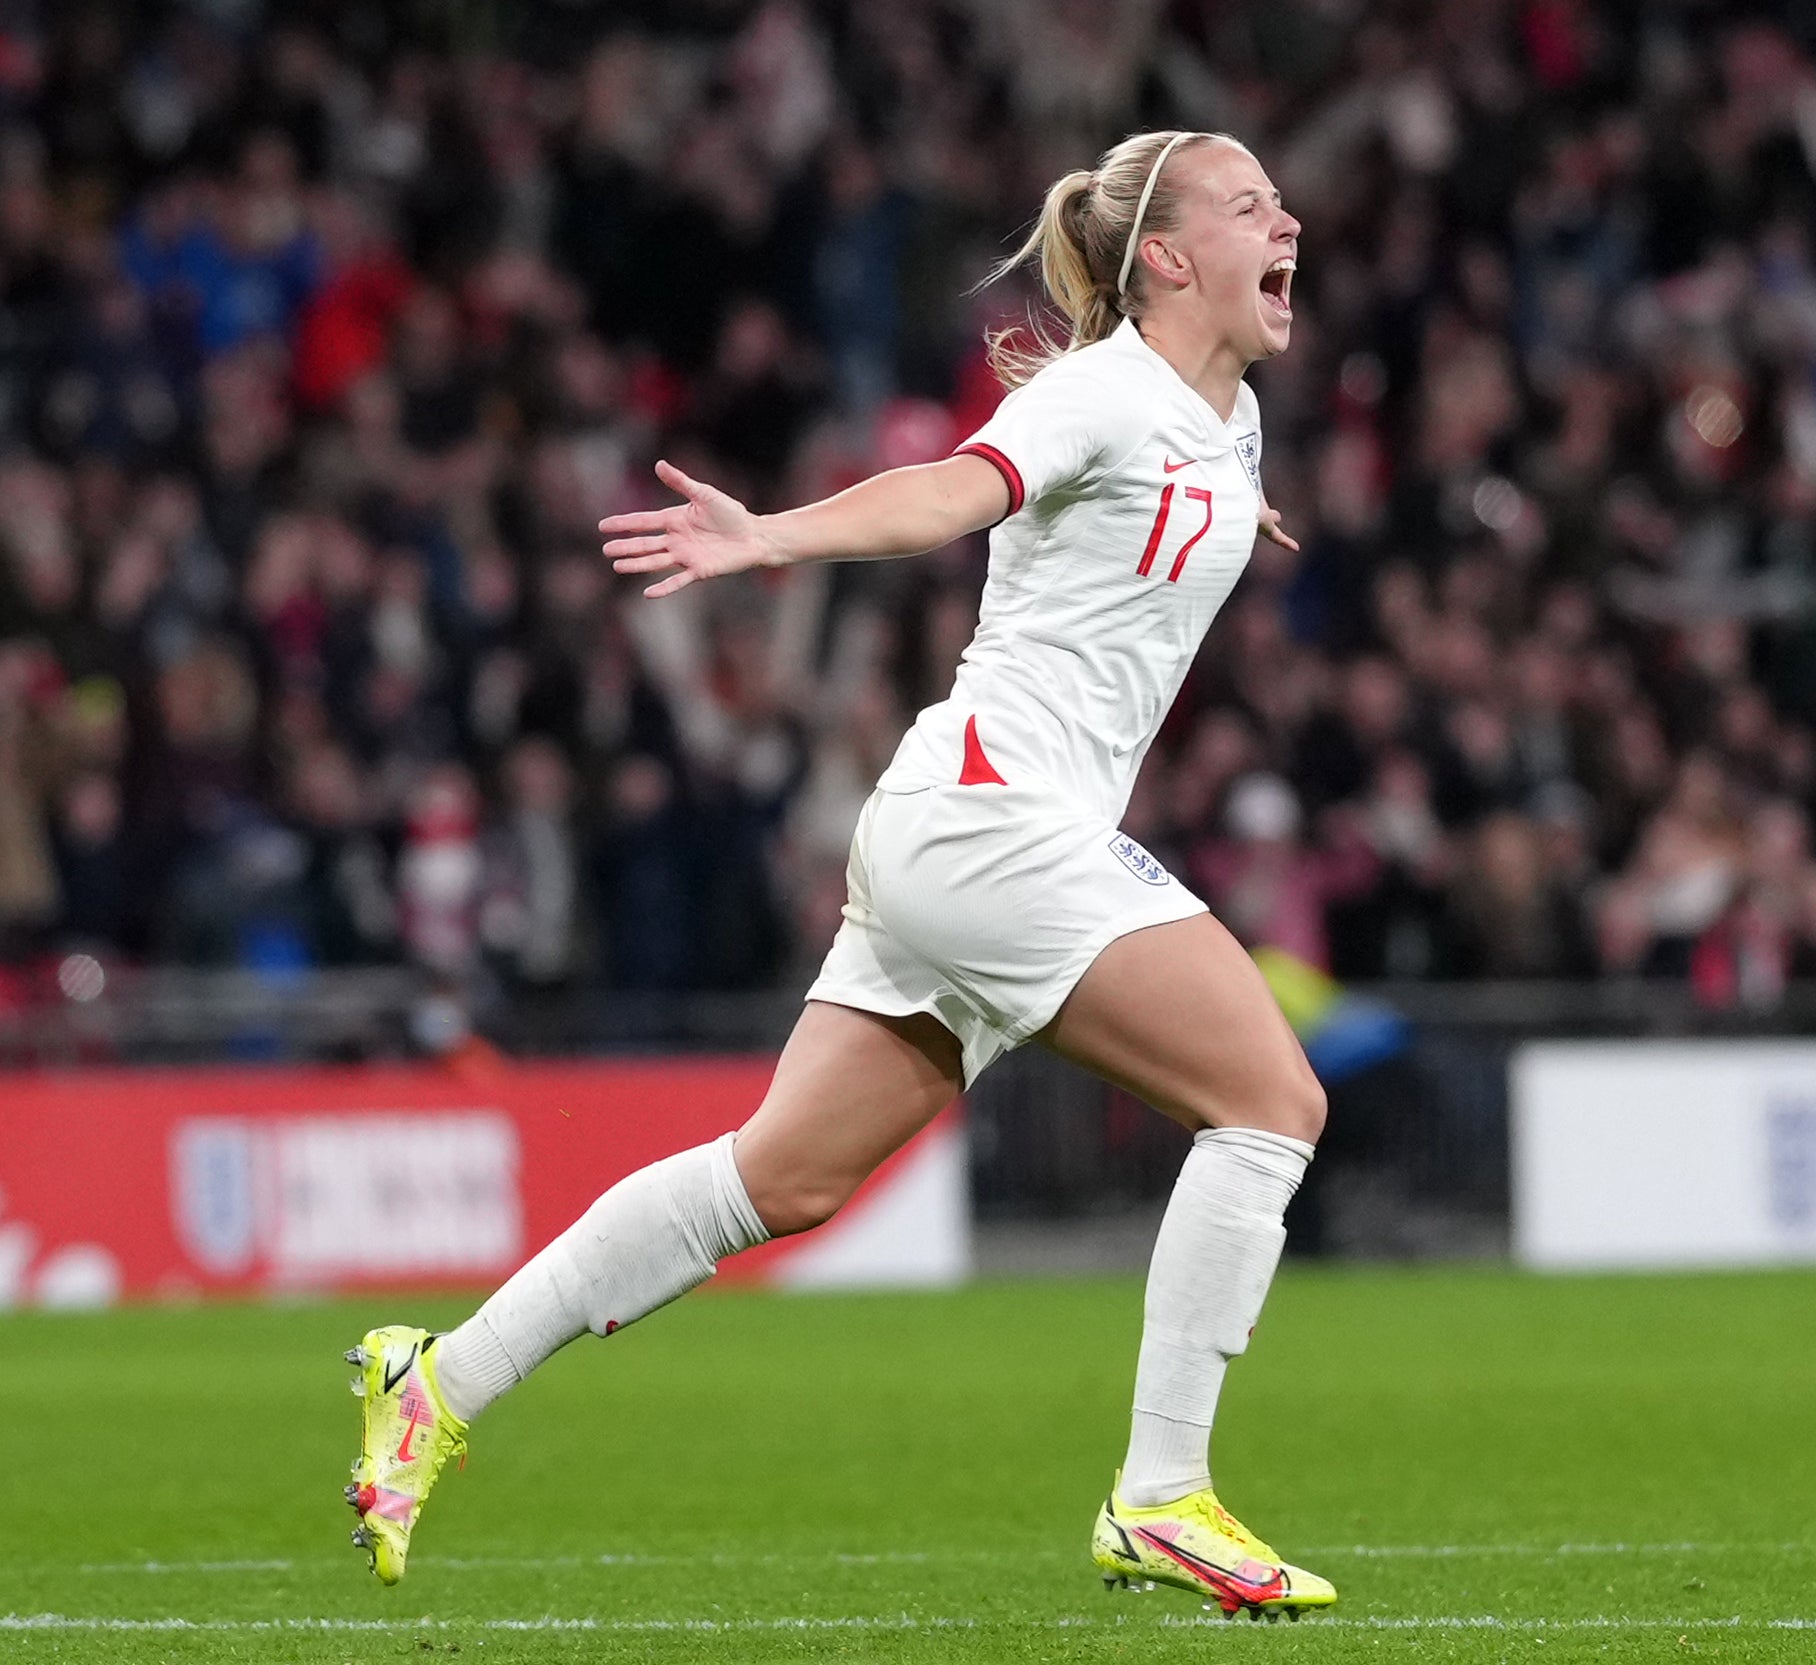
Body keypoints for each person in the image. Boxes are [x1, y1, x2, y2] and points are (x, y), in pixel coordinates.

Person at [340, 130, 1334, 1622]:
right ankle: (1158, 1491)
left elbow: (1164, 508)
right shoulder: (1094, 392)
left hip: (957, 825)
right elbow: (950, 490)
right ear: (1170, 256)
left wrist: (1228, 509)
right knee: (1272, 1101)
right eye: (1252, 204)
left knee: (778, 1175)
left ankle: (440, 1376)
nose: (1290, 222)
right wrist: (771, 538)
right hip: (998, 821)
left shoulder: (1226, 414)